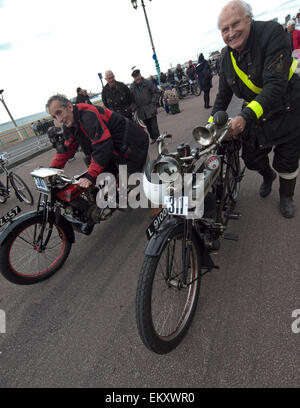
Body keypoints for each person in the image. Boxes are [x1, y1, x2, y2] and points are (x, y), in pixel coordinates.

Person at [210, 0, 300, 218]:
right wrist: (211, 126)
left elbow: (275, 85)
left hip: (286, 105)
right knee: (251, 158)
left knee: (287, 161)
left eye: (235, 24)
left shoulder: (272, 32)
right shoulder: (227, 59)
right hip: (255, 115)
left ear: (248, 19)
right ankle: (268, 175)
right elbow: (223, 96)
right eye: (225, 29)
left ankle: (286, 196)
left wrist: (244, 116)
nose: (231, 33)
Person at [46, 94, 149, 190]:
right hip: (114, 151)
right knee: (106, 184)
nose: (59, 120)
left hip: (132, 144)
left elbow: (102, 145)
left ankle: (158, 201)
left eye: (59, 113)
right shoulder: (68, 125)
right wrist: (51, 171)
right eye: (55, 117)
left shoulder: (88, 115)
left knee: (135, 184)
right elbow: (66, 150)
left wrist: (90, 176)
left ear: (69, 106)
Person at [130, 69, 160, 144]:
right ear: (134, 78)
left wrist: (153, 102)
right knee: (148, 126)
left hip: (150, 107)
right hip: (141, 110)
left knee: (154, 125)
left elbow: (156, 92)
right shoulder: (132, 87)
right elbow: (130, 100)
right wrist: (134, 107)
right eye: (135, 77)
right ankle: (153, 138)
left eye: (138, 76)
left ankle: (158, 139)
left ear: (140, 75)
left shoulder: (147, 83)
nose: (137, 78)